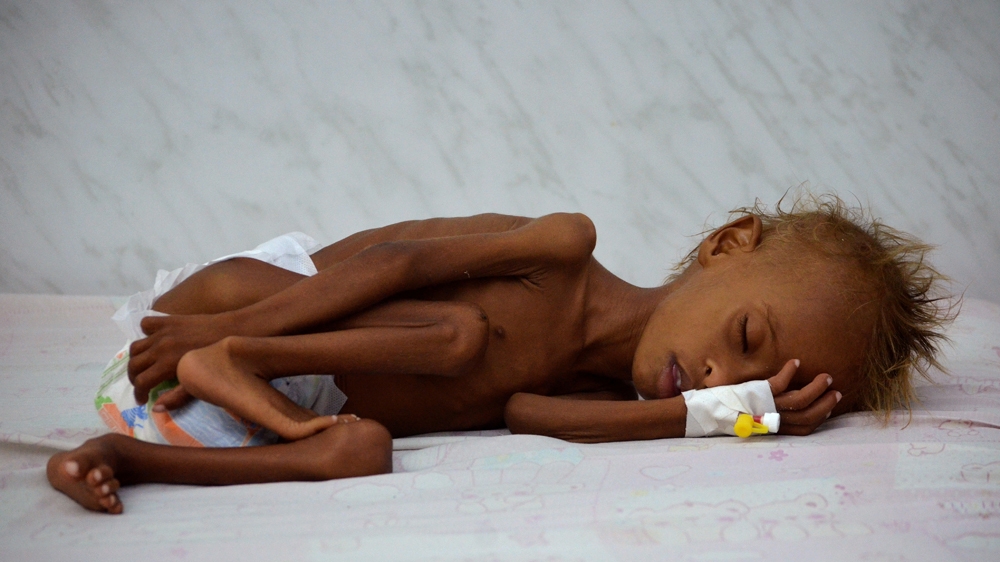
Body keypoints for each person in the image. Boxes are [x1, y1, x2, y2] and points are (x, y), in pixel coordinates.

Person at [46, 194, 952, 514]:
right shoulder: (567, 249)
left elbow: (526, 415)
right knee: (460, 334)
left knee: (361, 450)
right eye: (746, 341)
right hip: (235, 312)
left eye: (749, 384)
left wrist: (734, 418)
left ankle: (119, 456)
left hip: (228, 414)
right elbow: (394, 264)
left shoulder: (617, 395)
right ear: (726, 243)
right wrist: (227, 332)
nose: (721, 375)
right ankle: (234, 358)